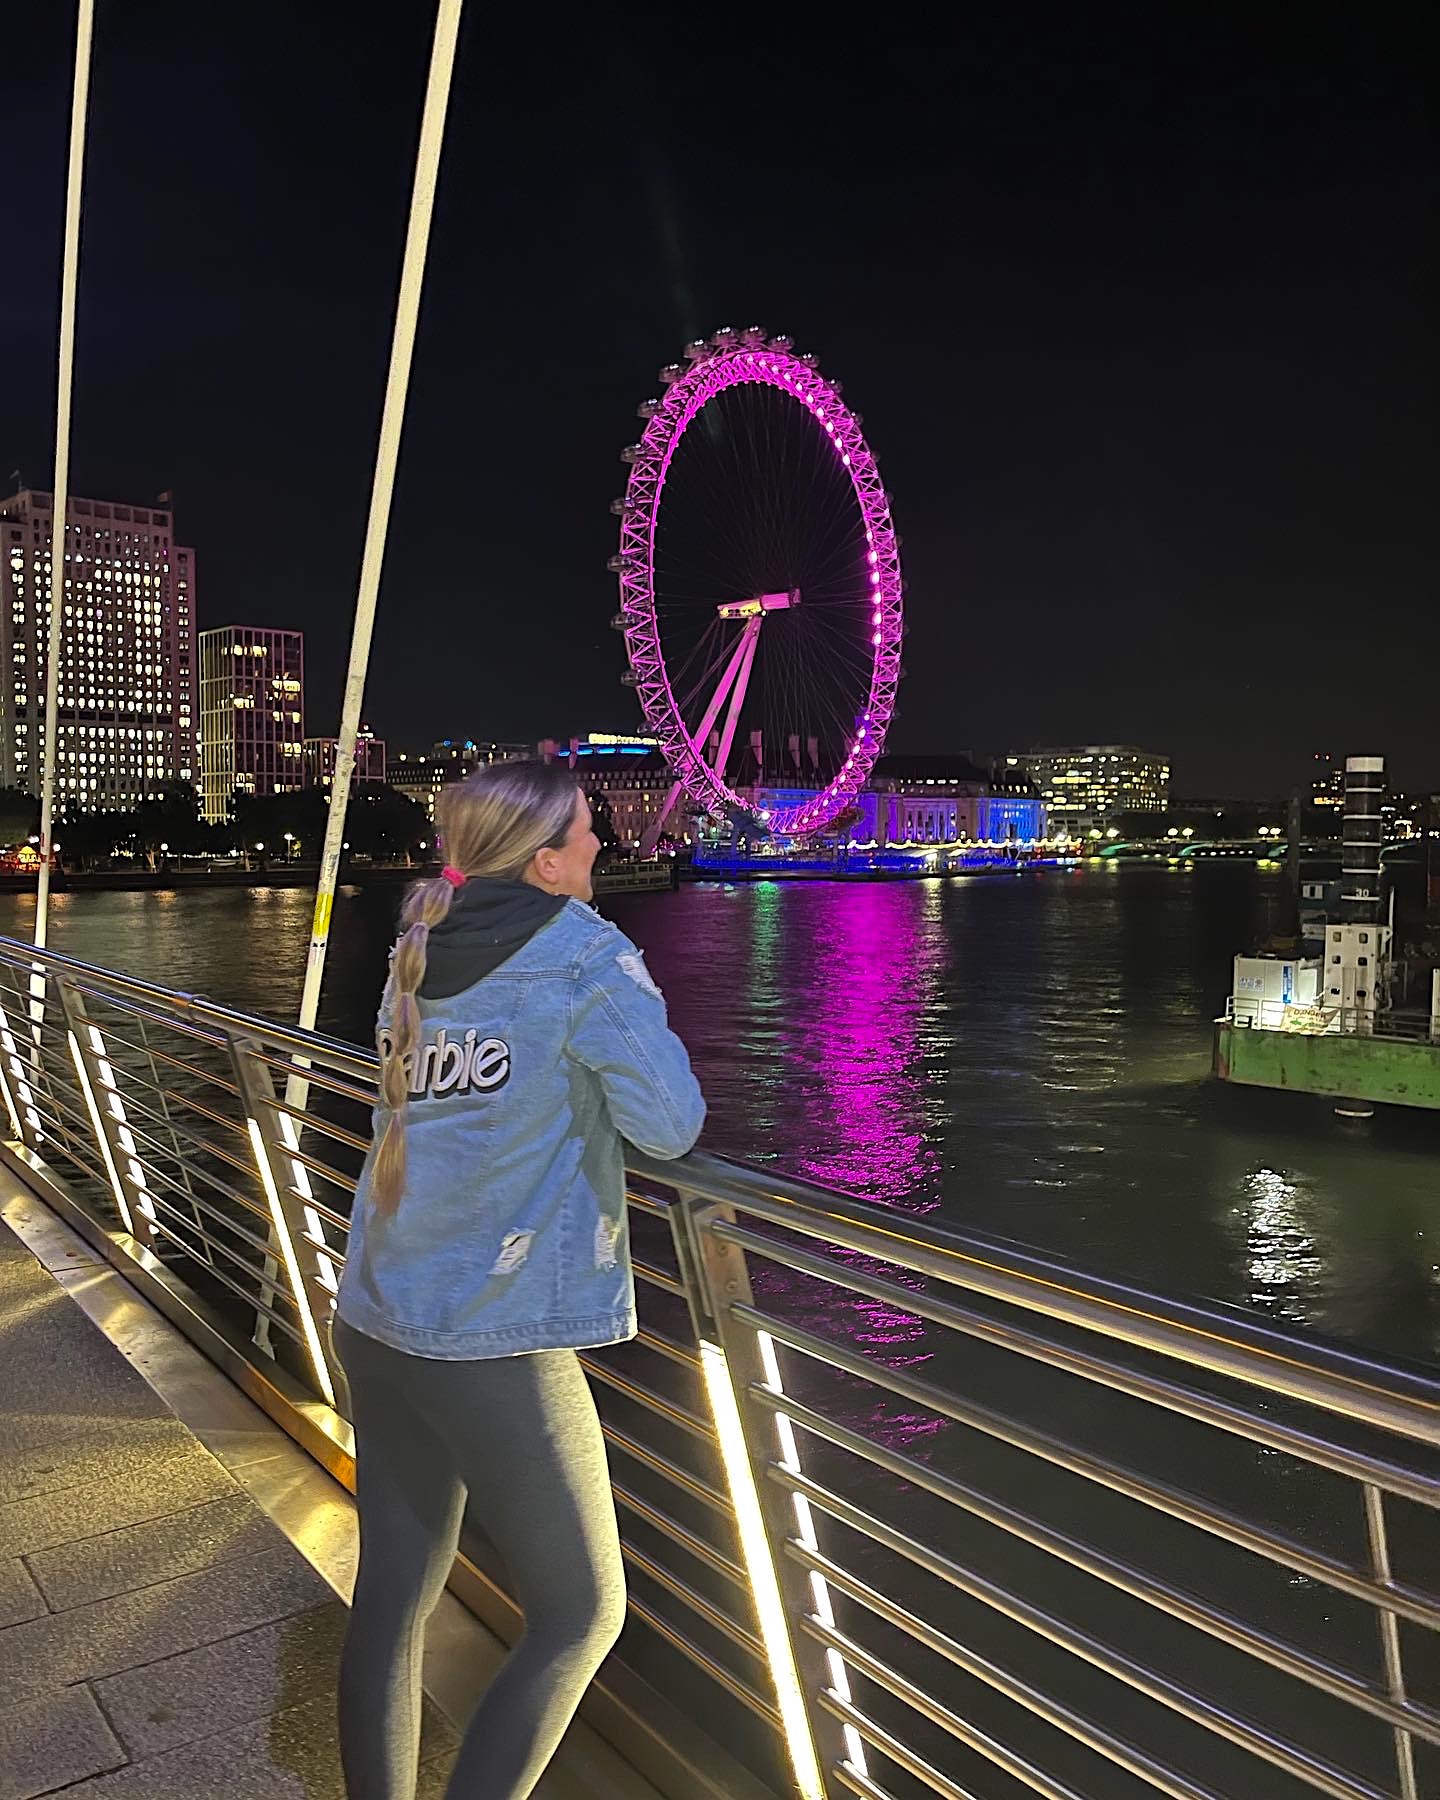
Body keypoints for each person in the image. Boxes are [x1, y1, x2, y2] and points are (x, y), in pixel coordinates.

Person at [332, 758, 705, 1800]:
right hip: (488, 1334)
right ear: (545, 860)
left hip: (378, 1306)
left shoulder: (420, 940)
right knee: (583, 1613)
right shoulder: (584, 957)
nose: (602, 845)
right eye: (588, 831)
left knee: (397, 1593)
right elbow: (670, 1127)